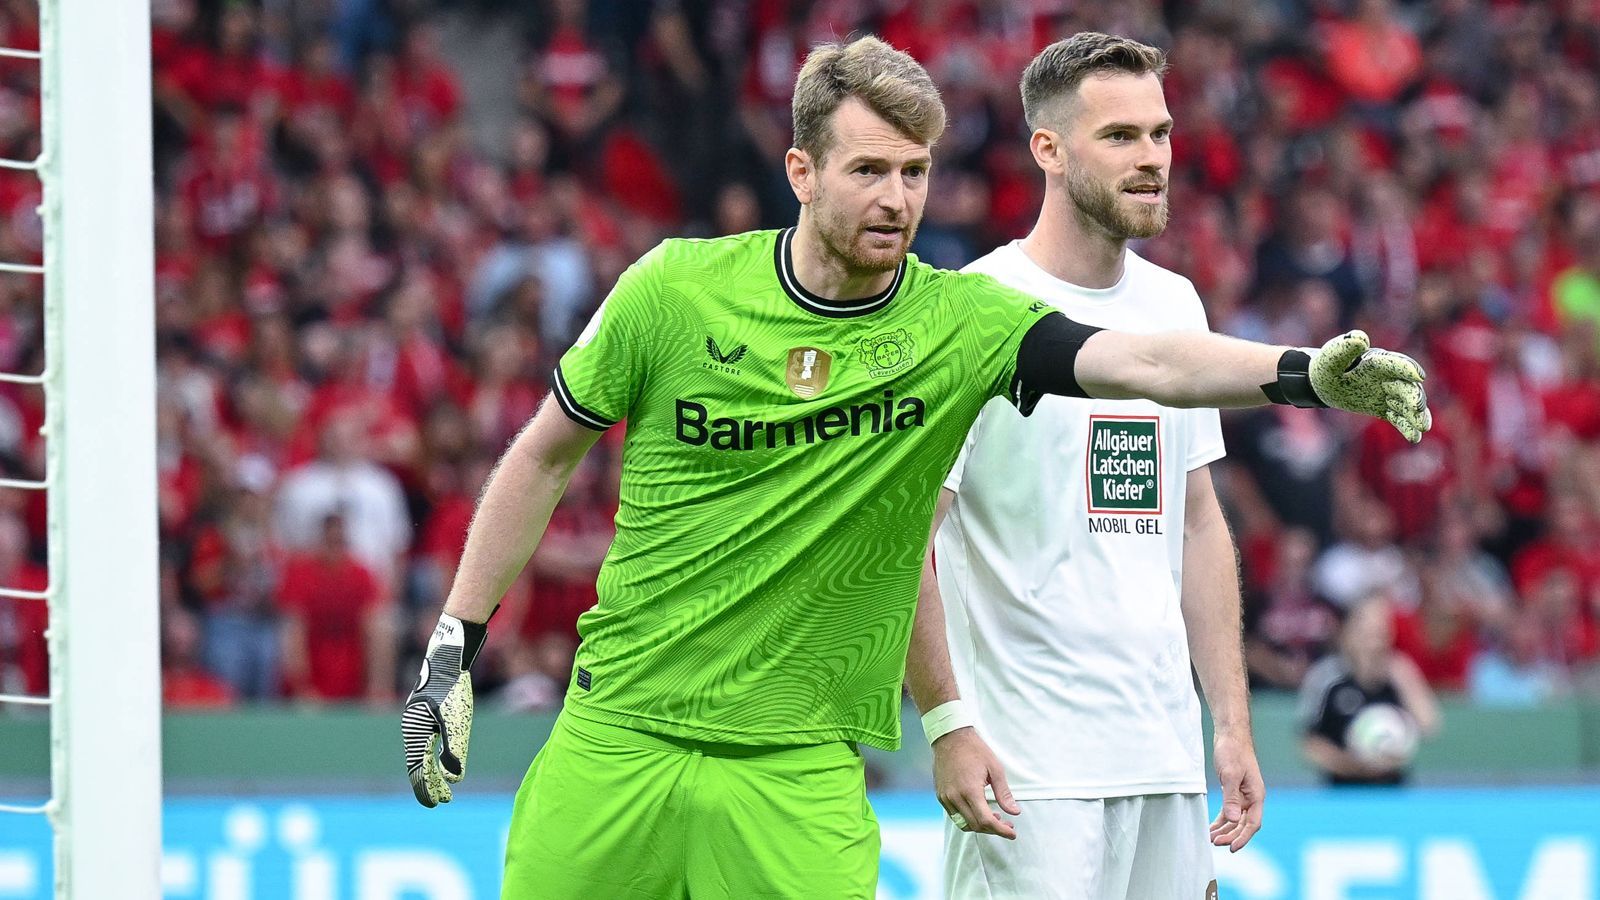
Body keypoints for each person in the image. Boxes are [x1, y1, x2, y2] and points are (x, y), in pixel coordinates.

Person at [400, 36, 1430, 898]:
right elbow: (542, 456)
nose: (896, 198)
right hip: (615, 735)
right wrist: (455, 640)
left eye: (914, 172)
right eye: (867, 170)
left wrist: (1300, 374)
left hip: (797, 770)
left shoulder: (956, 323)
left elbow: (1146, 359)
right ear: (801, 172)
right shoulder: (674, 291)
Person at [904, 34, 1258, 900]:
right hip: (1032, 777)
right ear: (1049, 151)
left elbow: (1198, 520)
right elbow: (909, 536)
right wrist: (948, 723)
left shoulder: (1174, 304)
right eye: (1121, 137)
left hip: (1165, 763)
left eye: (1161, 134)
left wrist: (1232, 727)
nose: (1153, 160)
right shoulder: (974, 312)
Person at [1299, 596, 1440, 786]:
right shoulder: (1326, 676)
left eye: (1381, 625)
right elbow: (1309, 743)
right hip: (1341, 792)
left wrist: (1404, 680)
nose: (1375, 633)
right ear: (1348, 630)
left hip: (1394, 790)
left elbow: (1429, 726)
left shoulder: (1399, 671)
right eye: (1366, 626)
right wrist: (1351, 765)